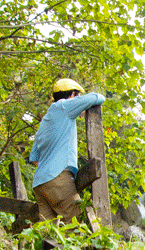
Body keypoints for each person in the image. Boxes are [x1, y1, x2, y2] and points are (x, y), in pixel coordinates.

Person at [29, 78, 106, 222]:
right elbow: (98, 97)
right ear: (72, 95)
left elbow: (34, 157)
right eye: (77, 96)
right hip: (58, 178)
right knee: (75, 224)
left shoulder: (46, 120)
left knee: (50, 235)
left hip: (40, 184)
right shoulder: (64, 107)